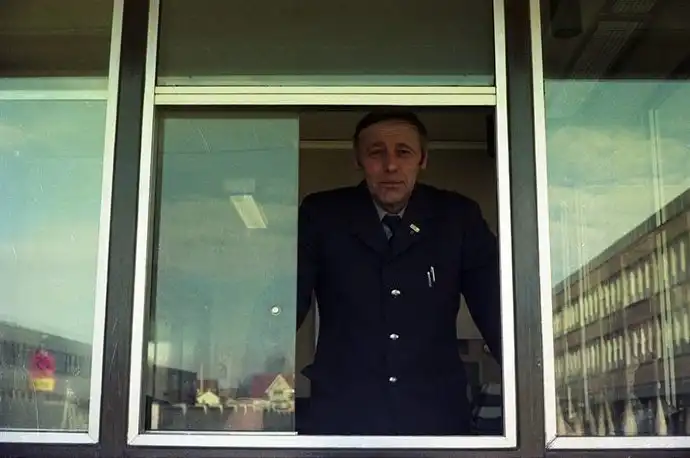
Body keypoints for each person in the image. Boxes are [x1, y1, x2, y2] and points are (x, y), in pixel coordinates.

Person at [296, 110, 502, 435]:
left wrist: (540, 391)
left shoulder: (456, 217)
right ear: (358, 160)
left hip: (435, 416)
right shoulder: (323, 216)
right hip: (344, 415)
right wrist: (254, 393)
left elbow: (498, 310)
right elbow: (285, 303)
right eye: (376, 153)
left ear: (423, 159)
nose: (390, 165)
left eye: (403, 152)